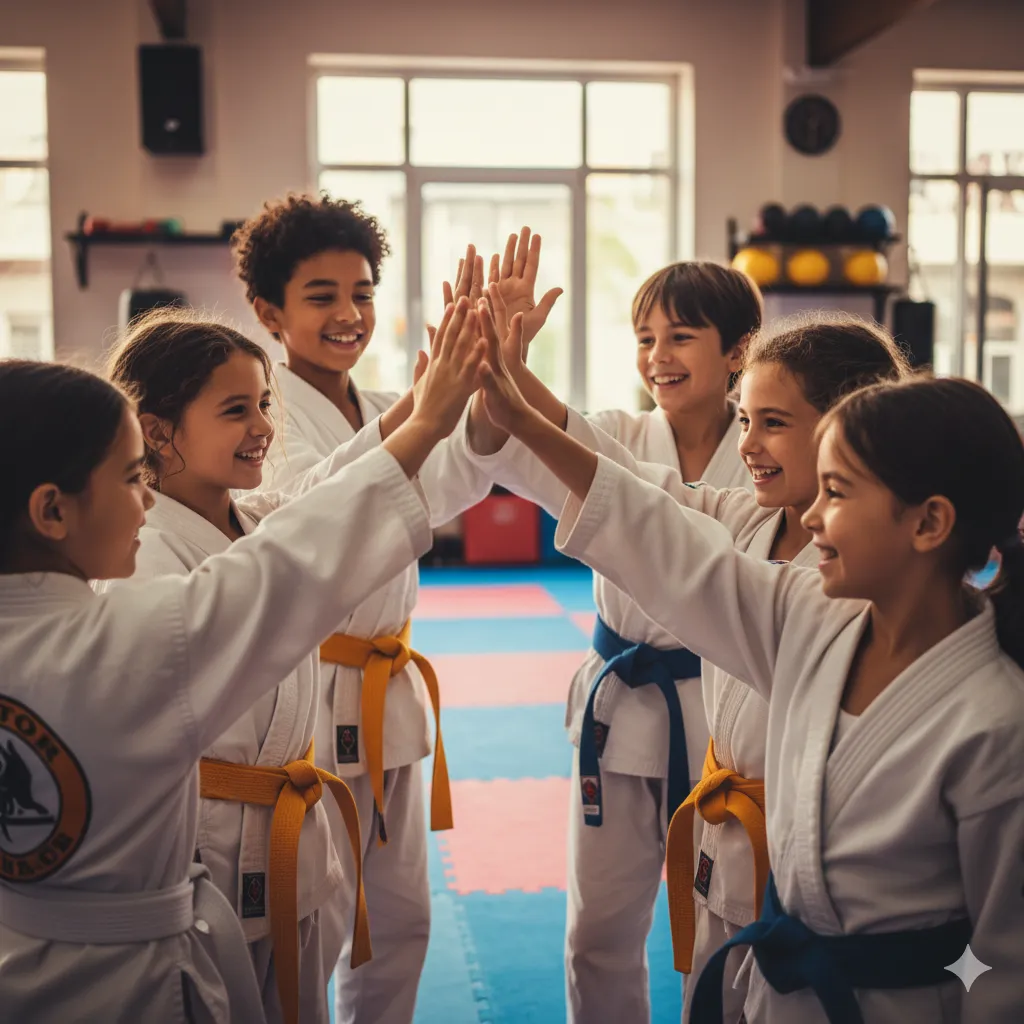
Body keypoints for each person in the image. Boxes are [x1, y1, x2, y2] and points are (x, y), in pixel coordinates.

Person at [474, 328, 1024, 1024]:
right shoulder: (808, 617)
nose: (815, 516)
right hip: (767, 968)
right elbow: (654, 529)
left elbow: (1007, 969)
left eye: (838, 492)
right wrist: (522, 418)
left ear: (929, 523)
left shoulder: (994, 722)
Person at [0, 297, 485, 1024]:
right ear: (52, 511)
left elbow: (307, 507)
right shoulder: (132, 638)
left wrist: (417, 413)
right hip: (145, 972)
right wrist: (426, 424)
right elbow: (297, 559)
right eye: (131, 478)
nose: (145, 501)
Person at [466, 246, 761, 1023]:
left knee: (729, 928)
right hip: (621, 707)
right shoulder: (618, 433)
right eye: (644, 338)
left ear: (738, 353)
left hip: (724, 714)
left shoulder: (766, 456)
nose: (657, 356)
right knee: (598, 928)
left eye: (680, 336)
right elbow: (543, 428)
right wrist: (508, 355)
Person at [232, 192, 497, 1024]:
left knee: (406, 916)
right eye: (322, 297)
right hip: (312, 693)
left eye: (363, 293)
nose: (350, 314)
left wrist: (489, 382)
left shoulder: (379, 402)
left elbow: (456, 478)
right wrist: (420, 416)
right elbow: (306, 509)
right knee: (320, 919)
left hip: (391, 687)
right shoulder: (260, 413)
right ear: (269, 311)